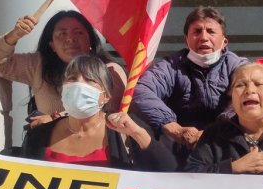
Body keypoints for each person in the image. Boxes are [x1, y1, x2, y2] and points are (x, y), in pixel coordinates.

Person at [19, 55, 175, 171]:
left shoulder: (126, 129)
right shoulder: (38, 135)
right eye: (72, 78)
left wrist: (137, 134)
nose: (79, 84)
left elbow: (168, 170)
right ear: (62, 90)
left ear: (106, 95)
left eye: (90, 80)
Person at [0, 10, 126, 127]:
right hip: (48, 150)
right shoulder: (38, 64)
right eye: (62, 34)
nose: (70, 39)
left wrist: (54, 118)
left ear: (91, 42)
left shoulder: (110, 70)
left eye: (79, 32)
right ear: (52, 45)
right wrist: (14, 35)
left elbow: (108, 110)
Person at [131, 6, 247, 152]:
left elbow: (251, 94)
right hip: (180, 146)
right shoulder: (171, 66)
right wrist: (173, 128)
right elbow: (140, 90)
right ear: (186, 41)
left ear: (224, 42)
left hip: (226, 144)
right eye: (197, 31)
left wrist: (215, 131)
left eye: (211, 31)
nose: (204, 37)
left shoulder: (238, 66)